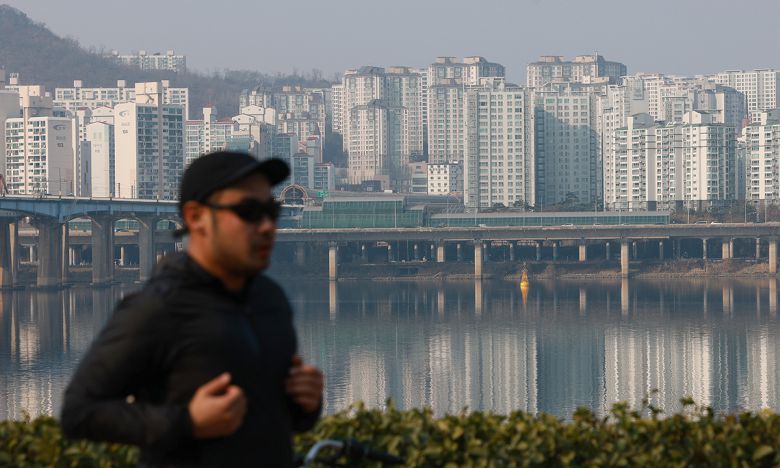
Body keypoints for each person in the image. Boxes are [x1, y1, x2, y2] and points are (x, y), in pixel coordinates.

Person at [61, 151, 324, 467]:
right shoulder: (159, 308)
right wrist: (186, 421)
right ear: (196, 217)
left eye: (271, 211)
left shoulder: (271, 300)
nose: (267, 226)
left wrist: (307, 404)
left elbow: (277, 420)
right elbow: (79, 411)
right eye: (249, 211)